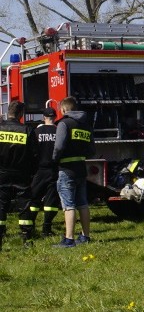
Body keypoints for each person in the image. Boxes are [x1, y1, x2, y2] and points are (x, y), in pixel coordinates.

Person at [52, 97, 96, 248]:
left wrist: (54, 159)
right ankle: (85, 236)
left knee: (68, 205)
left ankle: (69, 239)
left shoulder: (64, 123)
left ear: (64, 110)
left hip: (66, 169)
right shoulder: (86, 126)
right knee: (83, 204)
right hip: (81, 169)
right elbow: (92, 150)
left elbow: (58, 147)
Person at [0, 100, 38, 249]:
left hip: (2, 173)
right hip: (22, 174)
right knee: (24, 205)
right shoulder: (27, 130)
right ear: (20, 114)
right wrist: (32, 173)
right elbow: (35, 155)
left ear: (8, 111)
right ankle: (27, 239)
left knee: (1, 205)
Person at [19, 106, 61, 238]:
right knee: (51, 201)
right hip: (54, 170)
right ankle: (46, 228)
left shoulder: (36, 131)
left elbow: (32, 152)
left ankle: (29, 227)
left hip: (39, 170)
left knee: (34, 199)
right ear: (55, 117)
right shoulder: (59, 131)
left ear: (44, 118)